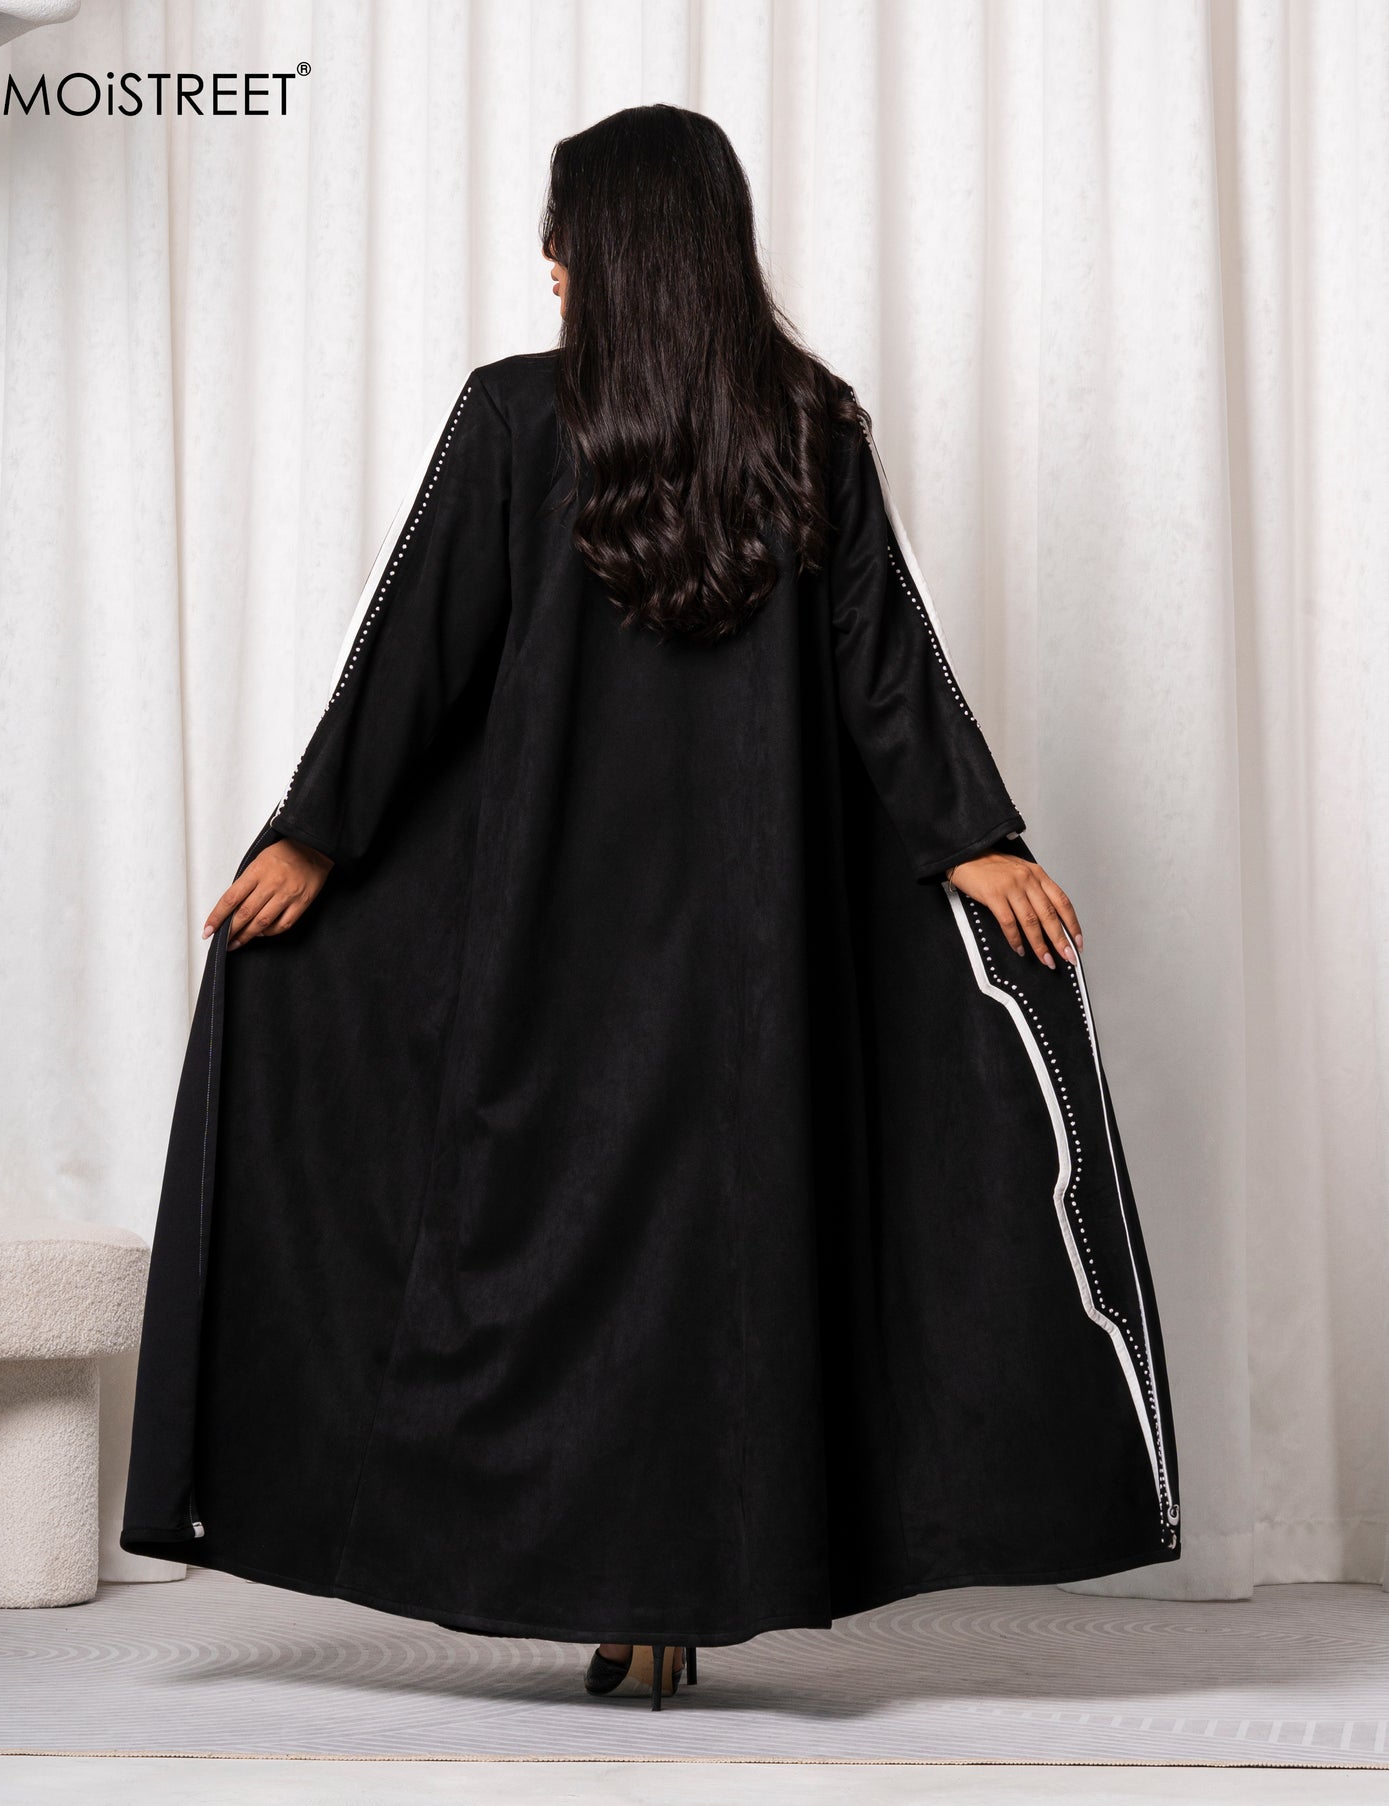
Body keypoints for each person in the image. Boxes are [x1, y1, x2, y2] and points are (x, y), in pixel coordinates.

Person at [122, 104, 1180, 1712]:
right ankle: (651, 1593)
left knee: (586, 1267)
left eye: (560, 234)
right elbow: (864, 662)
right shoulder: (774, 418)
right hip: (751, 953)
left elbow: (437, 655)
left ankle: (643, 1589)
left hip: (559, 938)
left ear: (609, 246)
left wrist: (317, 837)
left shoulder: (600, 419)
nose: (544, 264)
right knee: (699, 1268)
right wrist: (315, 839)